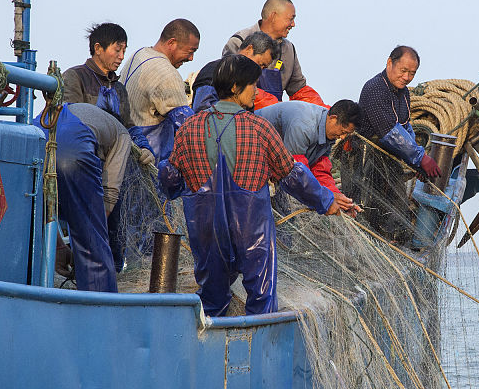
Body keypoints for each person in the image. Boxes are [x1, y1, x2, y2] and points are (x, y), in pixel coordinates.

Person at [161, 54, 340, 316]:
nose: (256, 91)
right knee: (261, 296)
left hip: (205, 228)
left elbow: (171, 179)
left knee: (212, 299)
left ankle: (211, 347)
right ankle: (259, 350)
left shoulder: (190, 127)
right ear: (235, 87)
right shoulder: (260, 127)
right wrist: (326, 201)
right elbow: (291, 175)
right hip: (252, 230)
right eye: (253, 85)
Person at [34, 103, 153, 293]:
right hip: (72, 152)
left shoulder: (68, 110)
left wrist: (58, 248)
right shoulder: (122, 132)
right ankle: (99, 304)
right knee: (92, 243)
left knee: (32, 215)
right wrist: (91, 234)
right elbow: (110, 193)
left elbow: (41, 211)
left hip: (33, 141)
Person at [257, 98, 362, 215]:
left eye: (347, 134)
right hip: (252, 158)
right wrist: (327, 201)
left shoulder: (329, 132)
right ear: (333, 118)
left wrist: (340, 199)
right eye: (343, 132)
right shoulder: (304, 126)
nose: (342, 138)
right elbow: (296, 175)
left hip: (274, 167)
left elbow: (319, 169)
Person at [120, 18, 199, 162]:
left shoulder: (139, 55)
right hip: (149, 159)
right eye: (190, 51)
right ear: (172, 43)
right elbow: (189, 129)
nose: (191, 58)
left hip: (123, 152)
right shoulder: (166, 73)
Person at [223, 0, 323, 108]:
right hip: (242, 118)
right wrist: (276, 107)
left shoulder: (289, 49)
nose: (293, 24)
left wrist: (324, 111)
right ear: (273, 16)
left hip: (274, 121)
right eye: (291, 19)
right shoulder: (240, 42)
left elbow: (299, 89)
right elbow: (232, 83)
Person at [357, 45, 440, 178]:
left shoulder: (404, 92)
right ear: (390, 63)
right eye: (403, 70)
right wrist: (420, 158)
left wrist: (415, 164)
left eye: (412, 73)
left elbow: (405, 128)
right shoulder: (375, 88)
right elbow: (390, 132)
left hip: (388, 165)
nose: (407, 77)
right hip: (364, 164)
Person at [60, 22, 133, 127]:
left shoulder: (119, 88)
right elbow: (70, 120)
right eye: (117, 50)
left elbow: (127, 125)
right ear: (98, 48)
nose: (121, 56)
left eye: (124, 51)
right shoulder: (75, 77)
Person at [190, 30, 277, 113]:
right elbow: (202, 109)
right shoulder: (214, 70)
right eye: (260, 64)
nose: (260, 71)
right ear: (249, 49)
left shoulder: (249, 84)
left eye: (264, 67)